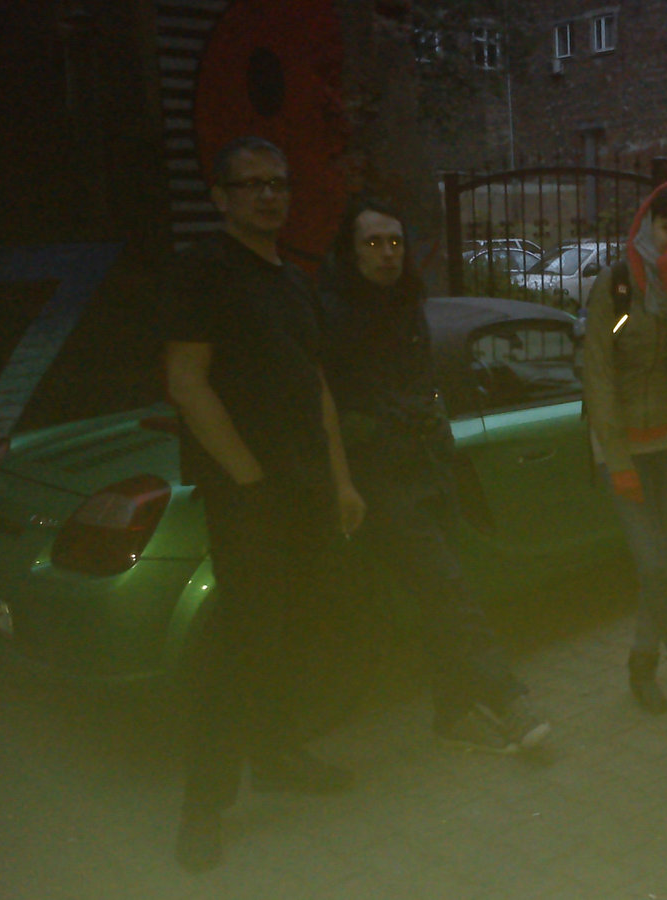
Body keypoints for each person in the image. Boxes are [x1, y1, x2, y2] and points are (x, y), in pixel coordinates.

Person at [163, 136, 366, 872]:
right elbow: (186, 381)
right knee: (240, 646)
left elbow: (316, 389)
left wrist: (340, 482)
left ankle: (277, 756)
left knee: (295, 630)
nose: (269, 195)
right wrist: (250, 479)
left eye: (278, 182)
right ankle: (203, 805)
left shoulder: (295, 281)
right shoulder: (205, 269)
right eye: (251, 184)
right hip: (248, 495)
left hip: (308, 490)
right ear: (222, 197)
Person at [318, 197, 550, 753]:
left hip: (427, 464)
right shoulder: (331, 316)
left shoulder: (406, 304)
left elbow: (421, 383)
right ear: (351, 252)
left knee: (438, 597)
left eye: (395, 242)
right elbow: (323, 403)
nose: (387, 253)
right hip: (380, 477)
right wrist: (344, 483)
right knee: (446, 589)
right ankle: (506, 698)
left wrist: (437, 436)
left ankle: (452, 713)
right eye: (373, 242)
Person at [583, 179, 667, 718]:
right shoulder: (615, 284)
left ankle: (642, 661)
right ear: (648, 224)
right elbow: (597, 373)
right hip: (622, 444)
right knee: (653, 563)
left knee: (661, 564)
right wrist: (617, 459)